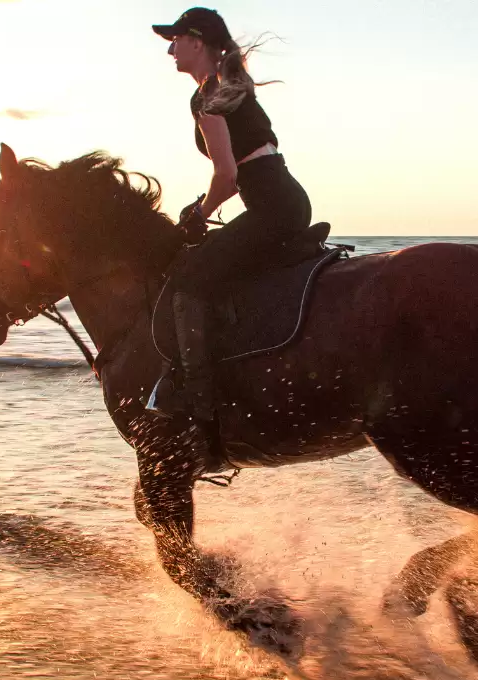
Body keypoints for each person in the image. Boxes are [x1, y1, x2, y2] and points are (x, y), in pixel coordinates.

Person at [147, 7, 312, 422]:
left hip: (272, 206)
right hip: (284, 199)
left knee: (188, 281)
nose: (170, 50)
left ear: (197, 42)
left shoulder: (209, 96)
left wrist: (200, 213)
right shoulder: (228, 85)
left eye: (176, 40)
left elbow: (227, 174)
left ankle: (199, 399)